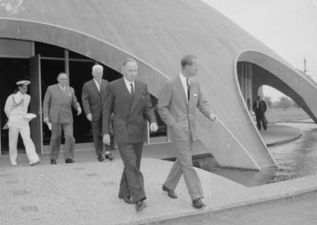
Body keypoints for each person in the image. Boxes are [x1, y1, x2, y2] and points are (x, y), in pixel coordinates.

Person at [158, 54, 217, 209]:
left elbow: (202, 102)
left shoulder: (195, 84)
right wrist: (173, 125)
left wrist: (210, 113)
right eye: (196, 65)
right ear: (187, 66)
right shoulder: (170, 84)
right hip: (178, 131)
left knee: (182, 160)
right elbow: (161, 107)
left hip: (191, 131)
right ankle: (196, 197)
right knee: (188, 163)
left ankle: (169, 185)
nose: (198, 68)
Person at [102, 58, 158, 212]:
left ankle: (123, 192)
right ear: (123, 70)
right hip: (122, 131)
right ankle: (139, 198)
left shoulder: (142, 86)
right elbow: (106, 111)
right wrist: (105, 132)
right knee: (131, 165)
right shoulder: (113, 86)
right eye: (130, 70)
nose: (133, 73)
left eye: (135, 70)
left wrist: (152, 121)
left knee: (133, 165)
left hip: (138, 131)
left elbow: (148, 108)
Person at [43, 73, 82, 164]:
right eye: (62, 79)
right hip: (55, 116)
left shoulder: (71, 90)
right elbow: (46, 103)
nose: (64, 81)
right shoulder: (51, 88)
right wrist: (45, 116)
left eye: (65, 79)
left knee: (70, 137)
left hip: (67, 117)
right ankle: (53, 157)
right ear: (58, 79)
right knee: (55, 137)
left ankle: (69, 157)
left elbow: (74, 101)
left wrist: (78, 107)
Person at [82, 64, 114, 162]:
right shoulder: (87, 85)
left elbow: (111, 98)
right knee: (97, 134)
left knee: (109, 131)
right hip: (94, 113)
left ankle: (108, 152)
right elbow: (85, 100)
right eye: (97, 73)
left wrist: (112, 111)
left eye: (100, 73)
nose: (99, 74)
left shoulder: (106, 83)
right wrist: (88, 113)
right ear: (92, 73)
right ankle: (99, 154)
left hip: (106, 112)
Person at [4, 80, 40, 166]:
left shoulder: (28, 97)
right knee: (13, 141)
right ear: (19, 88)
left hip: (24, 121)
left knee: (27, 139)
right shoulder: (12, 97)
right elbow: (7, 109)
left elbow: (25, 109)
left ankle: (33, 159)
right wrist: (11, 118)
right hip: (14, 122)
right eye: (23, 88)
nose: (25, 89)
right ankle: (13, 159)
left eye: (26, 88)